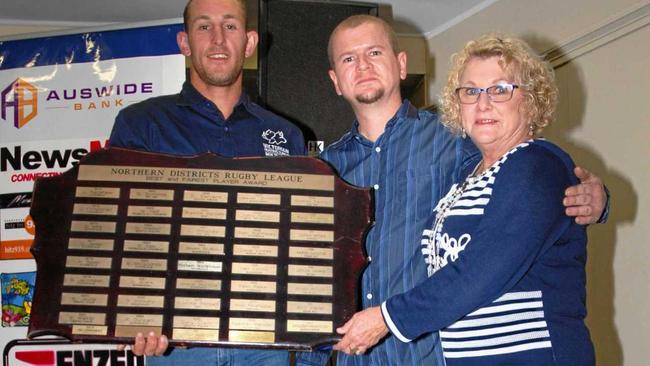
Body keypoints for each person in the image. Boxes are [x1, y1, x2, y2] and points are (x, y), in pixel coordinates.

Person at [321, 15, 606, 365]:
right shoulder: (324, 167)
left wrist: (596, 198)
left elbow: (487, 261)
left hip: (439, 353)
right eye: (471, 91)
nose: (483, 104)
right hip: (373, 354)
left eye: (500, 89)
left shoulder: (464, 144)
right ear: (334, 80)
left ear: (401, 65)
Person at [109, 0, 321, 365]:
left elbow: (300, 245)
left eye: (231, 26)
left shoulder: (286, 135)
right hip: (177, 346)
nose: (218, 39)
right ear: (185, 42)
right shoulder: (141, 124)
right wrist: (132, 315)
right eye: (204, 27)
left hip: (267, 345)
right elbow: (121, 230)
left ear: (250, 42)